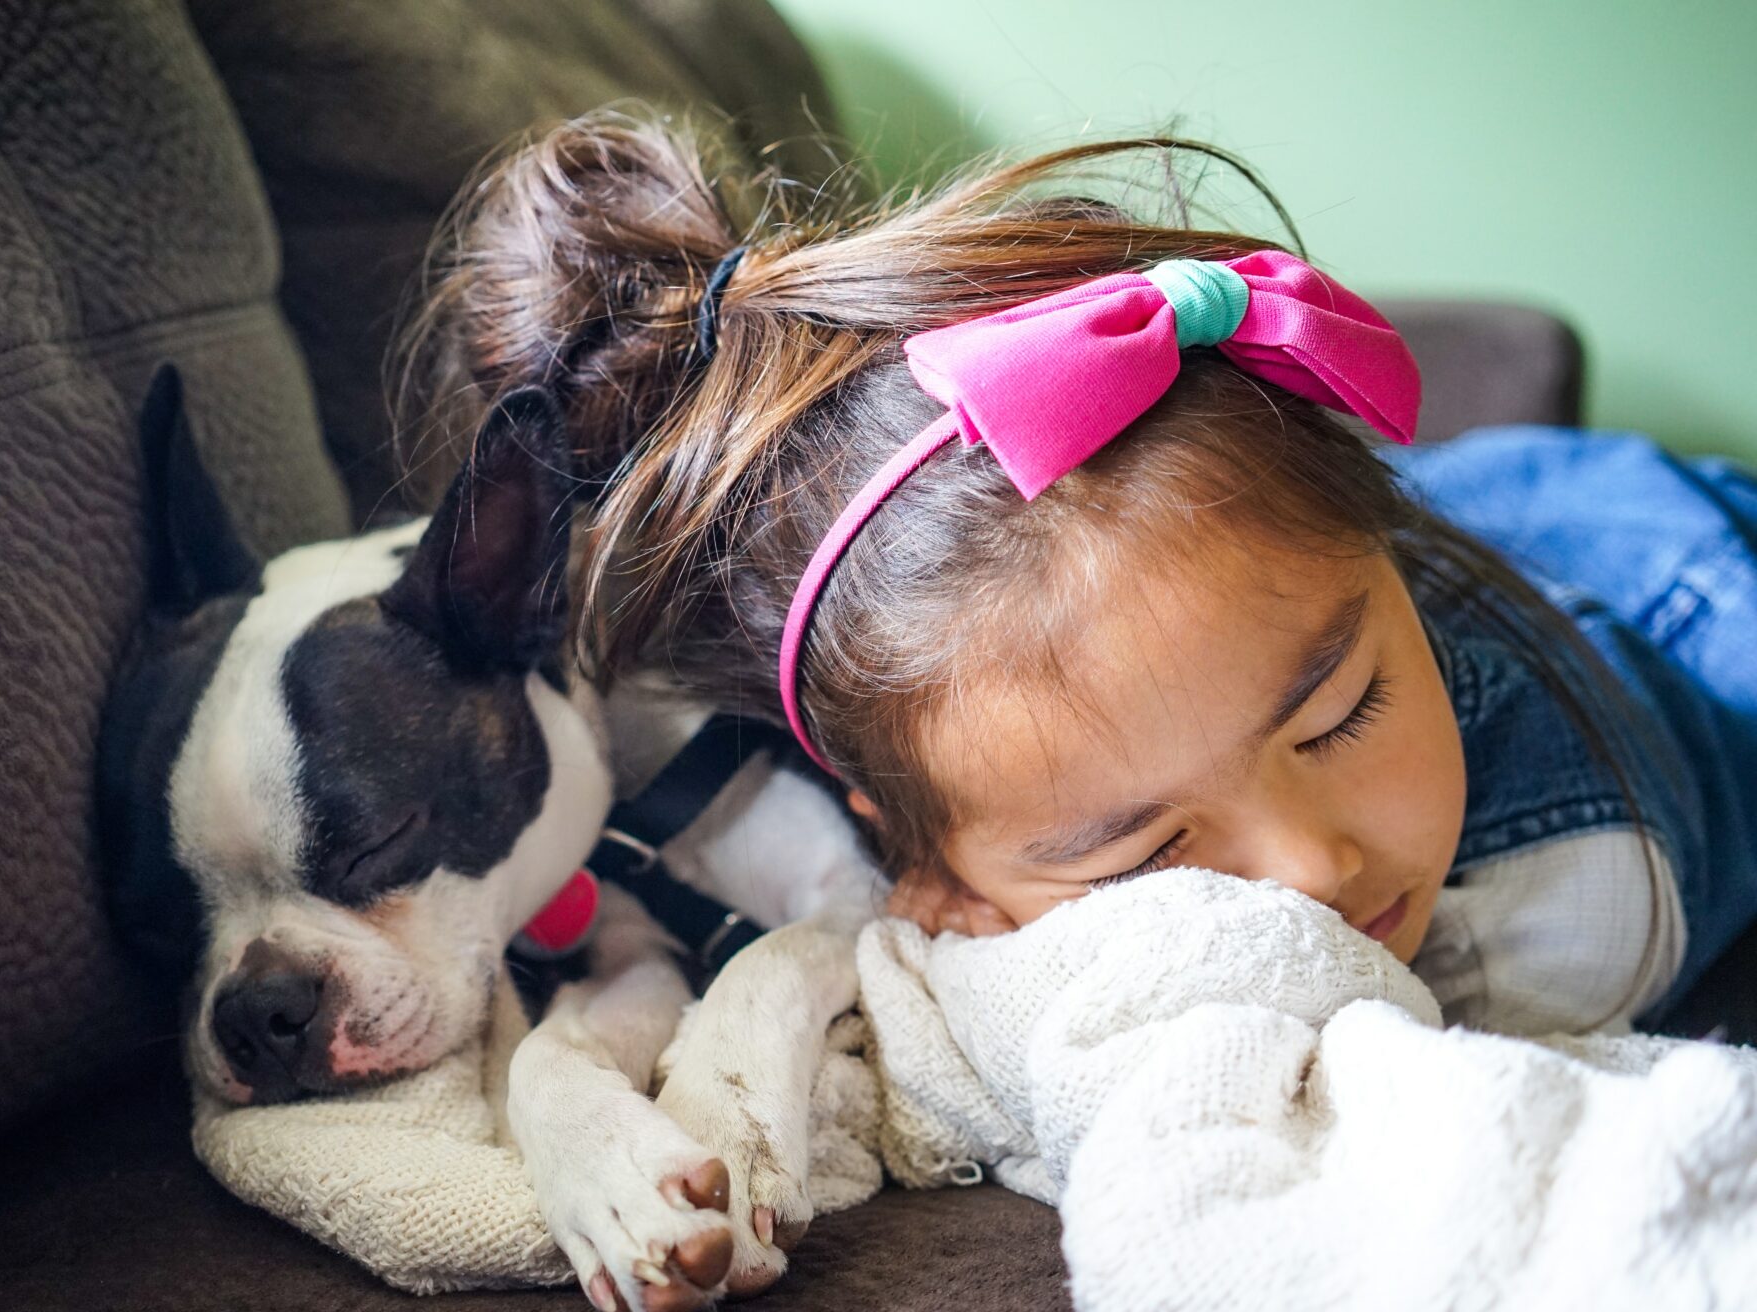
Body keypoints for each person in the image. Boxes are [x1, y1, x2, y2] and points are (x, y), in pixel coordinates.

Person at [404, 111, 1757, 1036]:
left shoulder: (1580, 903)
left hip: (1676, 572)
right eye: (1145, 851)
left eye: (1341, 711)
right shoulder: (921, 723)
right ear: (924, 865)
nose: (1313, 865)